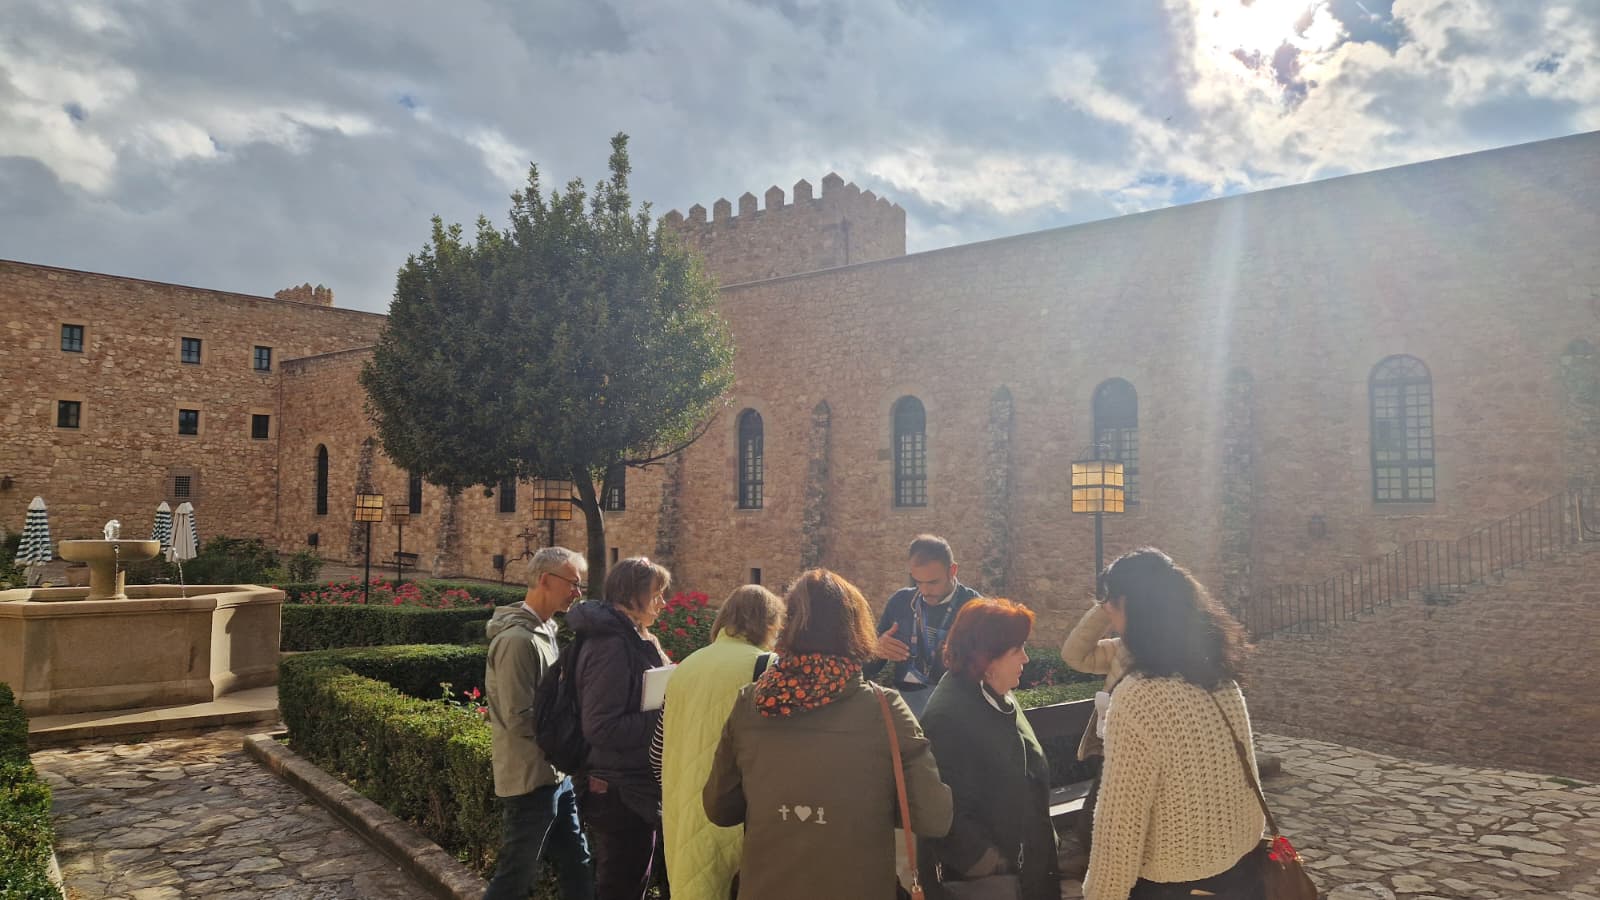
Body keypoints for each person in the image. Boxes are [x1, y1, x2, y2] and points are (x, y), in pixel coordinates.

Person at [704, 569, 954, 900]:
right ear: (856, 629)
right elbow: (935, 816)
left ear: (788, 625)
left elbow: (719, 808)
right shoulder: (884, 708)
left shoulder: (751, 702)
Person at [1081, 549, 1265, 900]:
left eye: (1111, 603)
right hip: (1240, 870)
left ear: (1134, 608)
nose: (1107, 611)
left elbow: (1120, 823)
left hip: (1172, 883)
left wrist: (1102, 894)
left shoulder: (1139, 697)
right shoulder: (1222, 680)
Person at [918, 598, 1059, 900]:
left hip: (1027, 871)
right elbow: (946, 813)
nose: (1026, 658)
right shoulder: (948, 716)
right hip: (995, 885)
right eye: (1017, 649)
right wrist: (992, 865)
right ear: (986, 658)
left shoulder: (998, 695)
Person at [651, 585, 785, 900]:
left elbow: (657, 754)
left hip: (683, 816)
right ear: (769, 624)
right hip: (739, 818)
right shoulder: (768, 668)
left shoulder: (686, 668)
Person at [482, 546, 595, 900]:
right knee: (516, 875)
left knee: (578, 863)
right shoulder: (518, 641)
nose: (578, 593)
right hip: (531, 778)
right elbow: (520, 717)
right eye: (573, 584)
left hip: (554, 775)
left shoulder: (546, 630)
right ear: (545, 580)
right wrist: (568, 743)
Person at [568, 556, 672, 900]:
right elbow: (601, 726)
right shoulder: (611, 645)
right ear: (633, 594)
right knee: (621, 887)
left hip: (632, 784)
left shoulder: (633, 637)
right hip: (619, 789)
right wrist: (664, 718)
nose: (663, 603)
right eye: (656, 594)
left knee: (629, 882)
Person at [865, 534, 983, 718]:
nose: (924, 590)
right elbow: (869, 667)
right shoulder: (900, 601)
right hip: (907, 710)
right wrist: (876, 650)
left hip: (957, 711)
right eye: (917, 581)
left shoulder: (975, 607)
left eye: (933, 582)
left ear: (952, 570)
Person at [1059, 584, 1134, 868]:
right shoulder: (1122, 649)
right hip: (1112, 756)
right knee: (1091, 829)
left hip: (1138, 761)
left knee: (1105, 833)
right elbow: (1074, 656)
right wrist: (1104, 608)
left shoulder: (1173, 655)